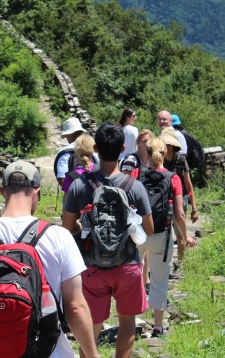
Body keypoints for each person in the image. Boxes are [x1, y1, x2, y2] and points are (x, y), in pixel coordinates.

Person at [0, 161, 100, 358]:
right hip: (48, 351)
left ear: (3, 191)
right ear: (36, 191)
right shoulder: (59, 236)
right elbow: (75, 307)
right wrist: (92, 355)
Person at [62, 122, 154, 358]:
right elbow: (150, 229)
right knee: (126, 322)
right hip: (127, 265)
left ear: (96, 149)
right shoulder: (135, 187)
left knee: (90, 324)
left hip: (92, 266)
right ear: (123, 149)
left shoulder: (79, 186)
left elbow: (66, 229)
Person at [138, 137, 196, 338]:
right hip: (161, 235)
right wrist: (185, 236)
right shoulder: (173, 178)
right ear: (165, 154)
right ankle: (157, 326)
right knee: (159, 280)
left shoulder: (137, 174)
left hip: (138, 234)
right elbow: (179, 214)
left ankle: (130, 319)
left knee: (134, 277)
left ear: (147, 152)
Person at [160, 127, 199, 262]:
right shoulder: (158, 159)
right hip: (162, 200)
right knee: (162, 235)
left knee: (180, 234)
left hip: (179, 200)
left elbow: (188, 184)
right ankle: (163, 262)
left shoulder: (181, 160)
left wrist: (194, 207)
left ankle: (181, 263)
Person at [55, 117, 87, 187]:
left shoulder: (65, 153)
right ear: (82, 132)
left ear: (69, 135)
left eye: (66, 136)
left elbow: (62, 181)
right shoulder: (93, 150)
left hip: (74, 196)